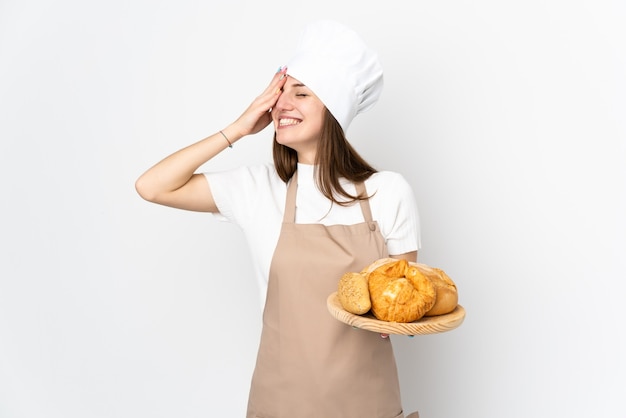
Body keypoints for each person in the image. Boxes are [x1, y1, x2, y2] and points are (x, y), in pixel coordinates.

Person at [136, 20, 421, 418]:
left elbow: (400, 310)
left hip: (367, 405)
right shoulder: (257, 188)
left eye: (300, 93)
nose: (282, 104)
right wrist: (238, 128)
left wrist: (392, 316)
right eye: (279, 93)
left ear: (336, 109)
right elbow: (152, 186)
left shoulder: (388, 192)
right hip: (279, 405)